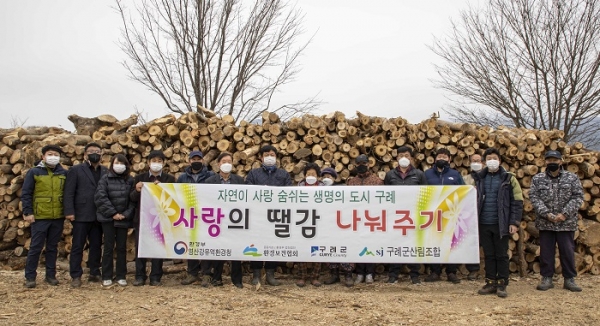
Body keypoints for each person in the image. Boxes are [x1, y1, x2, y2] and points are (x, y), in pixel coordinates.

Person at [530, 150, 584, 292]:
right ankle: (547, 278)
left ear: (560, 161)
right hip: (546, 222)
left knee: (567, 251)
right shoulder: (538, 178)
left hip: (566, 223)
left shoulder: (572, 178)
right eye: (549, 160)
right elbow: (534, 198)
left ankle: (569, 279)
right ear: (545, 161)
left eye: (555, 160)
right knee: (546, 252)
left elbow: (578, 197)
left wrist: (565, 214)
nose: (552, 162)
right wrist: (546, 214)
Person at [475, 148, 523, 298]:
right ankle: (490, 282)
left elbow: (517, 201)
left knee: (501, 254)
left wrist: (514, 222)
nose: (492, 161)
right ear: (484, 162)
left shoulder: (509, 178)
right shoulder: (478, 178)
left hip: (501, 222)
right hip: (483, 222)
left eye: (494, 158)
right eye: (489, 158)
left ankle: (502, 283)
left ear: (500, 161)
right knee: (489, 254)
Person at [246, 145, 292, 286]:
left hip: (276, 215)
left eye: (272, 154)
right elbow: (248, 191)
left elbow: (289, 194)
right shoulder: (254, 174)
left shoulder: (283, 175)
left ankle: (270, 274)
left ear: (276, 157)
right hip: (257, 215)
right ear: (261, 157)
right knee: (256, 243)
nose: (269, 157)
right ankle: (256, 274)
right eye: (266, 155)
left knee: (273, 244)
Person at [22, 145, 67, 288]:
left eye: (56, 154)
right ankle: (30, 277)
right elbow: (26, 193)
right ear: (43, 156)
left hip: (57, 216)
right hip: (40, 215)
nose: (53, 157)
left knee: (53, 247)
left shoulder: (63, 173)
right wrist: (28, 212)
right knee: (36, 247)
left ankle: (50, 275)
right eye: (50, 154)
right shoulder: (34, 172)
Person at [64, 142, 108, 288]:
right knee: (78, 245)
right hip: (81, 214)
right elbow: (69, 192)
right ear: (85, 155)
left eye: (98, 151)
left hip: (99, 214)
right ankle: (76, 274)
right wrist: (69, 211)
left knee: (96, 245)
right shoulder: (76, 170)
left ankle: (94, 272)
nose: (95, 153)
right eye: (91, 151)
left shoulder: (105, 171)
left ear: (102, 154)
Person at [130, 150, 176, 286]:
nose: (156, 164)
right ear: (148, 162)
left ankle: (156, 276)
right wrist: (137, 190)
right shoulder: (139, 178)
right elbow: (131, 199)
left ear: (164, 163)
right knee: (141, 248)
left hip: (161, 220)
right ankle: (140, 276)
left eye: (159, 161)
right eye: (154, 161)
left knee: (159, 248)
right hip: (142, 220)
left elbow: (175, 198)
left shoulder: (169, 179)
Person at [384, 146, 427, 285]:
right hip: (395, 216)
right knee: (395, 244)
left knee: (413, 244)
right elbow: (385, 195)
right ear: (397, 158)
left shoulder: (419, 174)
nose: (404, 158)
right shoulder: (390, 175)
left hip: (413, 215)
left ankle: (414, 275)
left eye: (407, 155)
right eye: (401, 155)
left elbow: (425, 194)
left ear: (412, 158)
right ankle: (393, 274)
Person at [202, 152, 245, 289]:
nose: (227, 164)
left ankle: (237, 279)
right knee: (218, 249)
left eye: (229, 161)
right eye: (224, 161)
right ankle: (217, 277)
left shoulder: (239, 181)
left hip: (235, 220)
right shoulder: (210, 182)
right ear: (218, 164)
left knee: (236, 249)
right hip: (217, 220)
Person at [424, 148, 465, 284]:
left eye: (445, 157)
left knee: (451, 242)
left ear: (449, 159)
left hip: (451, 213)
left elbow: (463, 191)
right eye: (439, 156)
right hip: (433, 213)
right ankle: (435, 271)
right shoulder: (427, 174)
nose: (442, 159)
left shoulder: (455, 174)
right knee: (433, 241)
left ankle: (451, 272)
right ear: (435, 159)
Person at [95, 154, 135, 287]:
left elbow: (132, 200)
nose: (119, 166)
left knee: (122, 248)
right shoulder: (105, 179)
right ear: (112, 164)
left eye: (122, 163)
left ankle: (121, 275)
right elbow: (101, 197)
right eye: (116, 163)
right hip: (108, 219)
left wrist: (125, 214)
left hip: (123, 218)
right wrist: (113, 213)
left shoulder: (130, 180)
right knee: (108, 247)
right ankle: (106, 275)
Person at [177, 150, 215, 286]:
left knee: (206, 243)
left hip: (206, 214)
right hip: (189, 214)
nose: (196, 162)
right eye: (194, 159)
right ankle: (192, 273)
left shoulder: (211, 176)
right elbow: (177, 194)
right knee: (191, 243)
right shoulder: (182, 177)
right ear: (189, 161)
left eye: (199, 159)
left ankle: (206, 274)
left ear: (203, 161)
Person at [347, 154, 383, 286]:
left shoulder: (377, 181)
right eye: (359, 164)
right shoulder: (352, 182)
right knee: (358, 245)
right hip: (356, 218)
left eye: (364, 163)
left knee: (371, 245)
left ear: (369, 164)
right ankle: (360, 272)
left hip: (372, 218)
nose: (361, 166)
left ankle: (370, 273)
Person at [321, 167, 356, 286]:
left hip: (342, 223)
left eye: (329, 177)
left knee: (344, 248)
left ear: (334, 178)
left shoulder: (342, 189)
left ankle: (348, 275)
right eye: (324, 177)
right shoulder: (318, 190)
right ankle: (334, 274)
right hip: (327, 224)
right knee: (330, 249)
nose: (326, 179)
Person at [296, 163, 324, 287]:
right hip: (303, 220)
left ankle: (315, 277)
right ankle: (302, 276)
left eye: (313, 174)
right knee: (302, 248)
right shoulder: (298, 188)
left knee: (317, 249)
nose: (311, 176)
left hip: (320, 221)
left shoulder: (325, 189)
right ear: (305, 175)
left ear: (318, 176)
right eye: (308, 174)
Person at [462, 153, 483, 281]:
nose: (476, 163)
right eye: (473, 160)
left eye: (478, 160)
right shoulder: (465, 179)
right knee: (471, 241)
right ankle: (473, 270)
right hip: (469, 215)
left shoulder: (487, 178)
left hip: (485, 213)